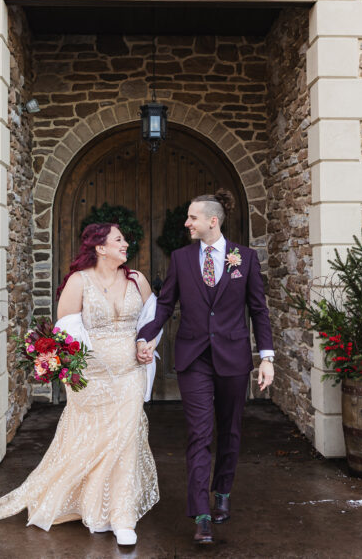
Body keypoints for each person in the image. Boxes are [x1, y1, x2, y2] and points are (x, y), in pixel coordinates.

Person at [0, 223, 160, 546]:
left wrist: (148, 346)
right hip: (91, 378)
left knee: (125, 440)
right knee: (91, 443)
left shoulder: (136, 280)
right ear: (100, 248)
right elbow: (66, 332)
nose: (126, 244)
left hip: (130, 373)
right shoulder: (78, 281)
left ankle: (122, 516)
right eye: (119, 239)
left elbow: (152, 320)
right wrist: (79, 369)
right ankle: (93, 507)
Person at [136, 189, 274, 544]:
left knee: (229, 429)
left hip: (233, 358)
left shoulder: (245, 258)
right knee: (199, 433)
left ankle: (223, 491)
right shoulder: (181, 259)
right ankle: (201, 515)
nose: (187, 223)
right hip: (193, 357)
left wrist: (267, 358)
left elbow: (258, 310)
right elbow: (165, 304)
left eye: (192, 217)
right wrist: (147, 337)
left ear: (213, 221)